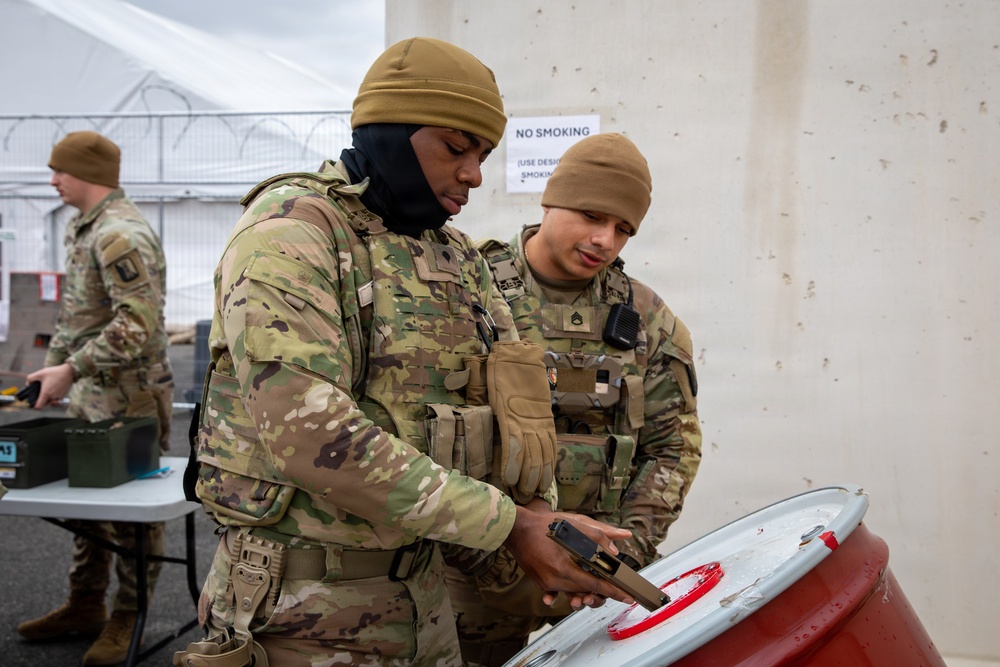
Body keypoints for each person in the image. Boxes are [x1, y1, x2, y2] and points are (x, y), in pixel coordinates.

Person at [180, 38, 635, 667]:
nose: (474, 174)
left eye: (483, 155)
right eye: (455, 147)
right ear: (390, 131)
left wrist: (549, 533)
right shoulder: (291, 233)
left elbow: (517, 413)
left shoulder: (456, 256)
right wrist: (512, 528)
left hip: (425, 603)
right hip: (301, 613)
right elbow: (313, 438)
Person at [447, 132, 703, 665]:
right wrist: (487, 546)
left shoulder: (647, 319)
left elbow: (673, 447)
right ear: (550, 201)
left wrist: (623, 555)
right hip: (472, 571)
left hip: (596, 580)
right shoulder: (464, 288)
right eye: (591, 215)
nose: (605, 240)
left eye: (623, 229)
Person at [17, 131, 175, 666]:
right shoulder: (85, 227)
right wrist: (52, 370)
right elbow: (78, 314)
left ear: (86, 172)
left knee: (132, 512)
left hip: (129, 395)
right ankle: (85, 602)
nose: (52, 180)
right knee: (86, 502)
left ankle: (129, 614)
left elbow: (139, 323)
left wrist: (71, 368)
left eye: (58, 170)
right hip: (91, 390)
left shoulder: (119, 234)